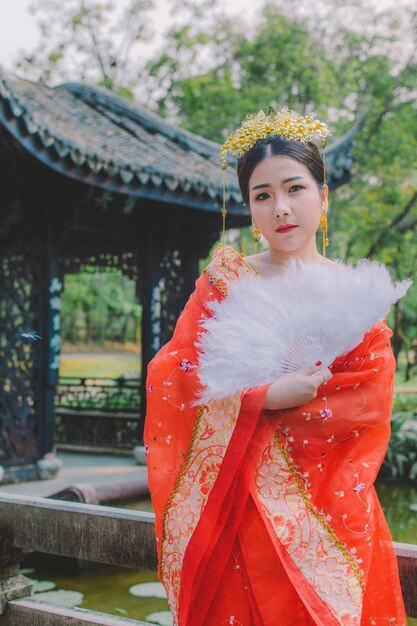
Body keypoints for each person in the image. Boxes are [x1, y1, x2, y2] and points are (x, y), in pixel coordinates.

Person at [144, 108, 409, 626]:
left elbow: (366, 410)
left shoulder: (358, 301)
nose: (280, 208)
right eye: (262, 195)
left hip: (329, 518)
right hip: (237, 516)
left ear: (324, 196)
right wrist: (263, 396)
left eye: (295, 188)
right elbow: (176, 378)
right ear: (247, 208)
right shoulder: (220, 287)